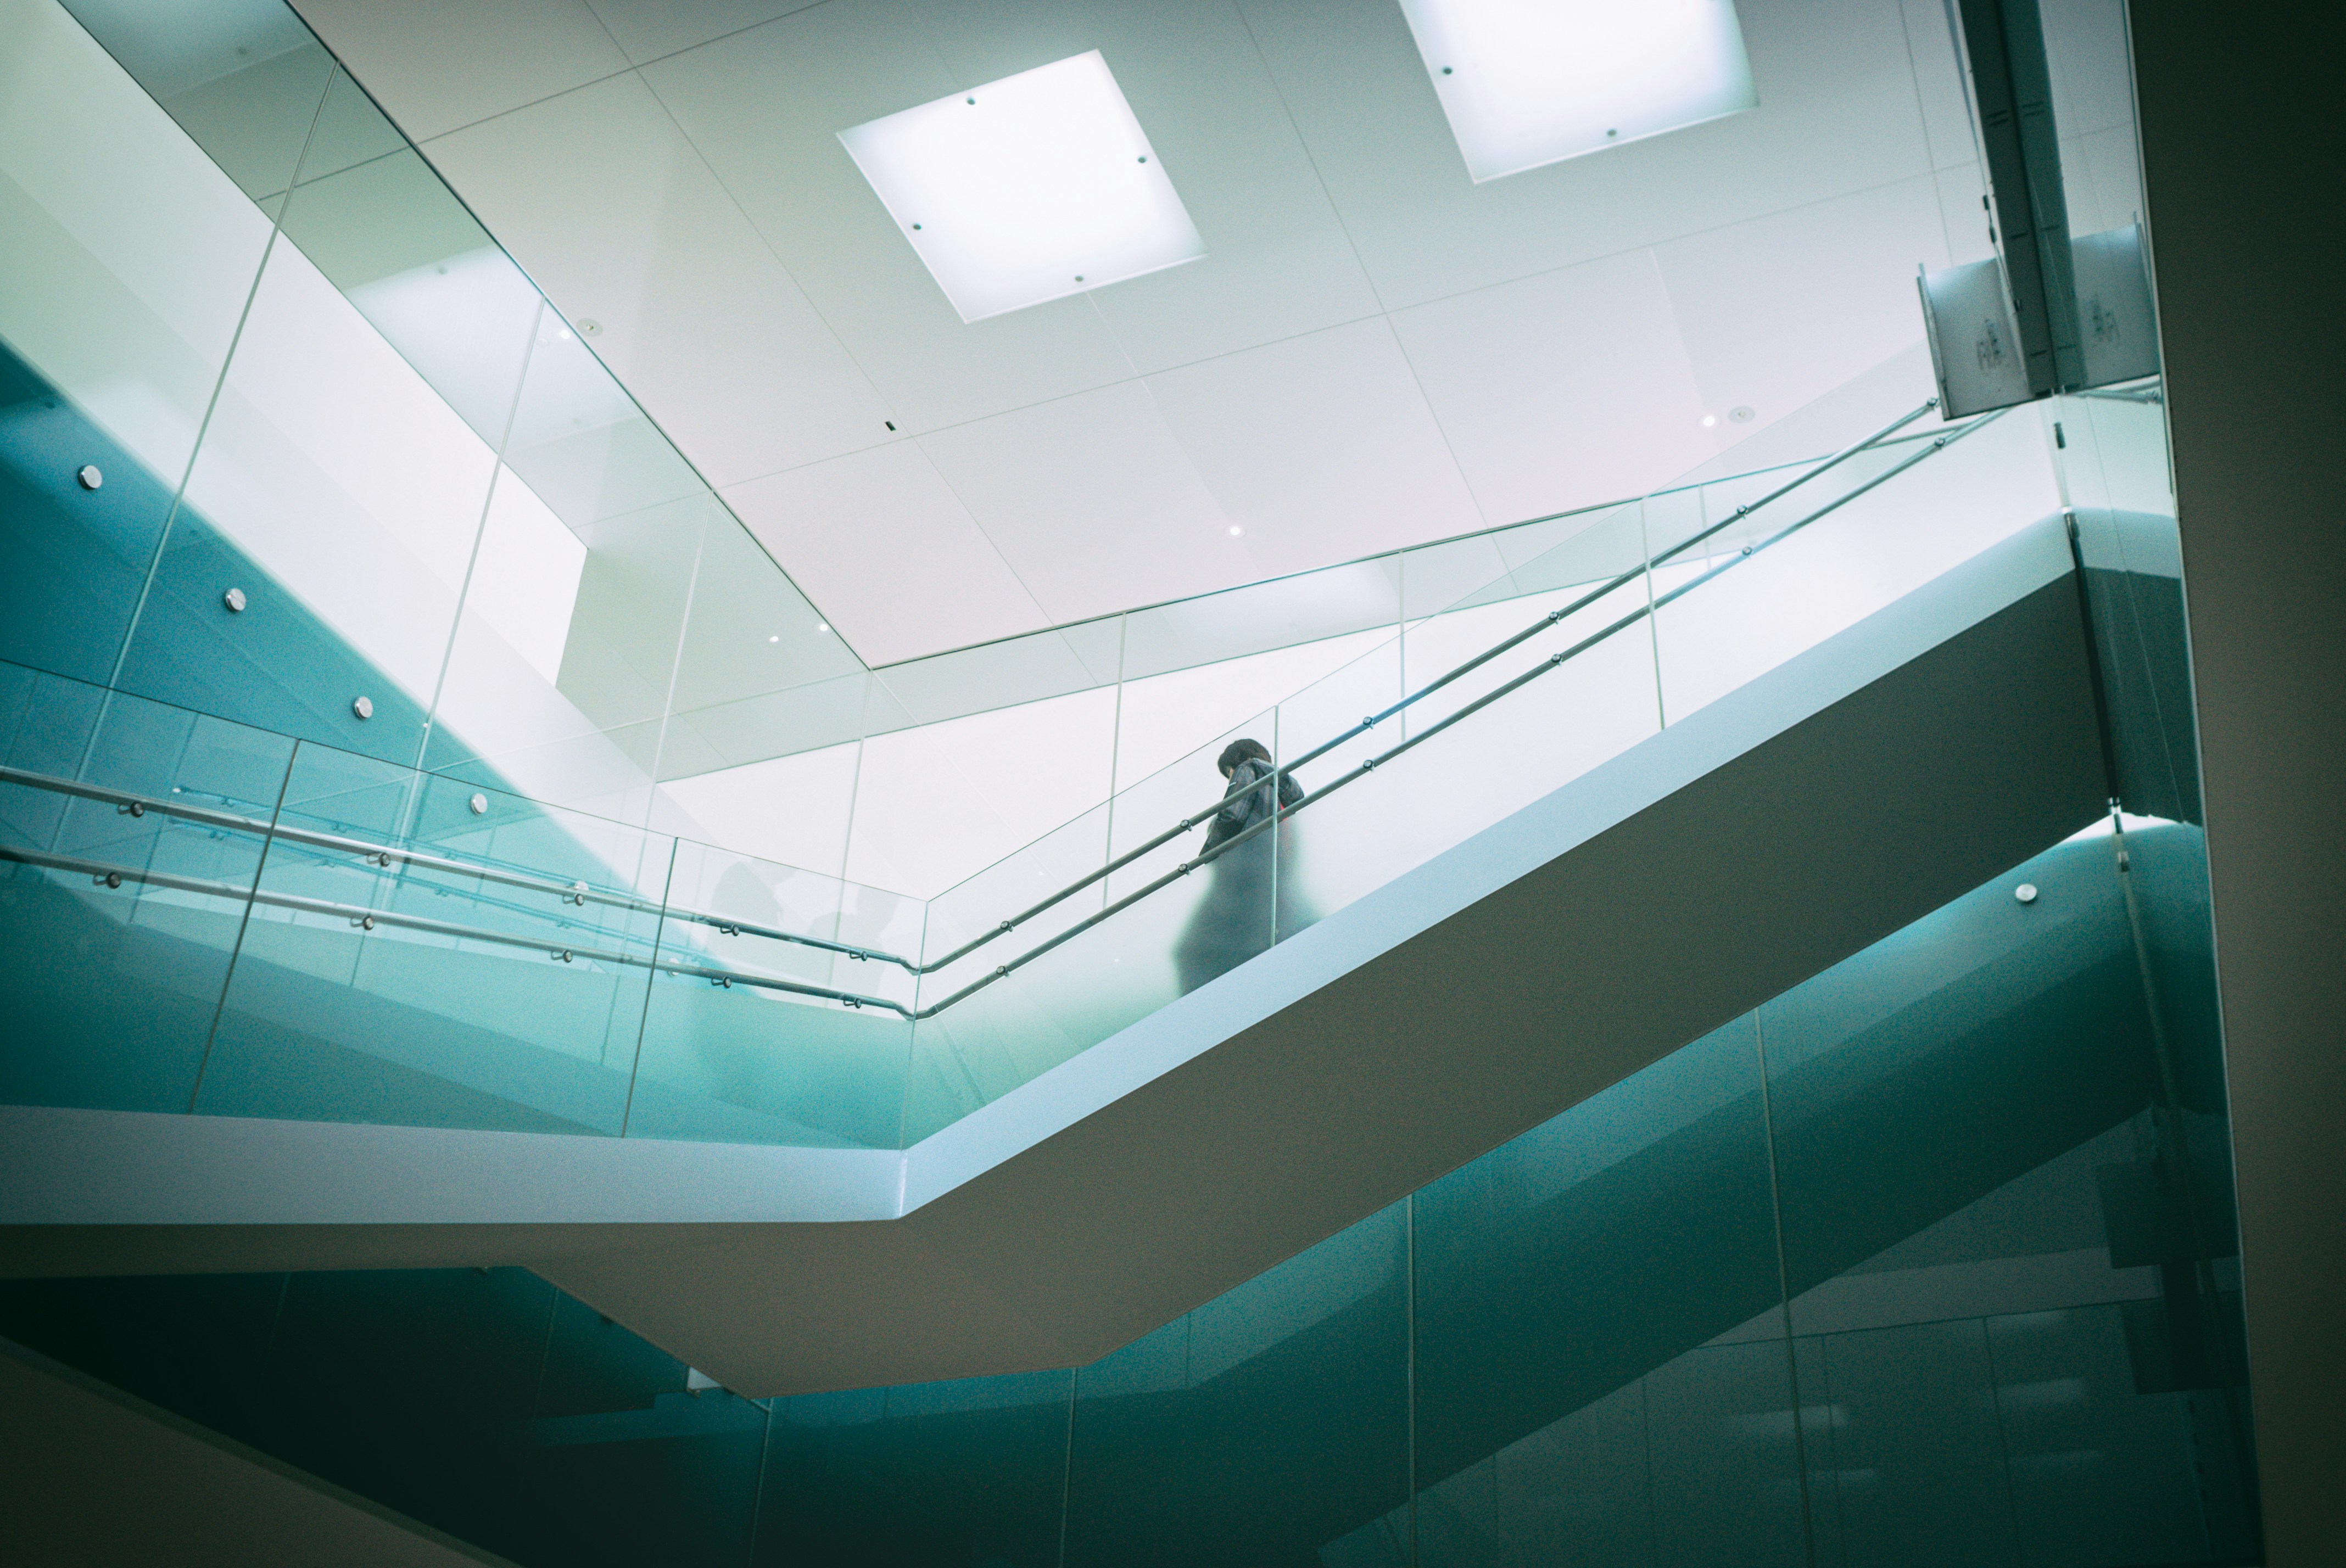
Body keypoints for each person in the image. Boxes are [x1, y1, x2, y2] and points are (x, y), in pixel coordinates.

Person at [1171, 738, 1311, 994]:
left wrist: (1207, 854)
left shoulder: (1249, 769)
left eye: (1228, 774)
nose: (1230, 780)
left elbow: (1233, 814)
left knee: (1192, 951)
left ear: (1235, 763)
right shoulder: (1280, 787)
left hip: (1245, 872)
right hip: (1271, 876)